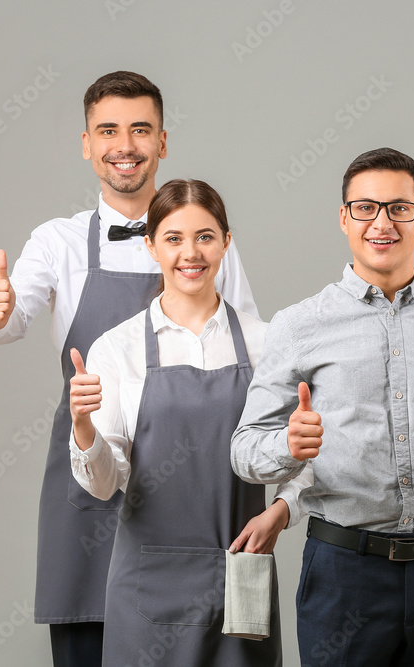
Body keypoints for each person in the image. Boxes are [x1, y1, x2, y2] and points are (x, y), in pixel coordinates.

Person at [0, 71, 258, 666]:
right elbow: (18, 310)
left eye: (140, 129)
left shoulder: (200, 240)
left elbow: (251, 357)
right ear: (86, 143)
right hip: (91, 472)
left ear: (161, 142)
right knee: (86, 645)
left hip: (195, 495)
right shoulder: (58, 241)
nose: (124, 145)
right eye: (108, 130)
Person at [231, 147, 414, 666]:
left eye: (398, 208)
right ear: (344, 218)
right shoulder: (299, 326)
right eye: (365, 208)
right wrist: (287, 447)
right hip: (344, 575)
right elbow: (245, 450)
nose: (381, 222)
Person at [68, 179, 283, 665]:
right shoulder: (116, 348)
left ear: (227, 242)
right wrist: (83, 426)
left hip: (240, 572)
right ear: (151, 246)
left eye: (205, 236)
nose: (191, 253)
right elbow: (104, 486)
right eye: (173, 238)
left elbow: (301, 454)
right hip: (148, 584)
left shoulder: (265, 344)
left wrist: (282, 510)